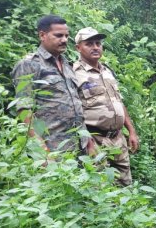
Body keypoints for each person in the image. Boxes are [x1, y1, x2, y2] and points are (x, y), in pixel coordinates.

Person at [11, 15, 95, 155]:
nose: (64, 40)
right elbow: (24, 110)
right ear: (42, 35)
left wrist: (88, 140)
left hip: (80, 146)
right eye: (58, 35)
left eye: (67, 36)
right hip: (54, 149)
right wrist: (42, 152)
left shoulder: (67, 64)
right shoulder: (29, 64)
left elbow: (75, 105)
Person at [73, 27, 139, 186]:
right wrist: (86, 141)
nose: (95, 47)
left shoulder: (108, 71)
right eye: (89, 44)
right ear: (78, 48)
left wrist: (131, 131)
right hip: (95, 139)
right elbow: (73, 111)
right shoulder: (74, 73)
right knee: (101, 189)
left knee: (126, 187)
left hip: (118, 139)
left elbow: (119, 103)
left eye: (98, 43)